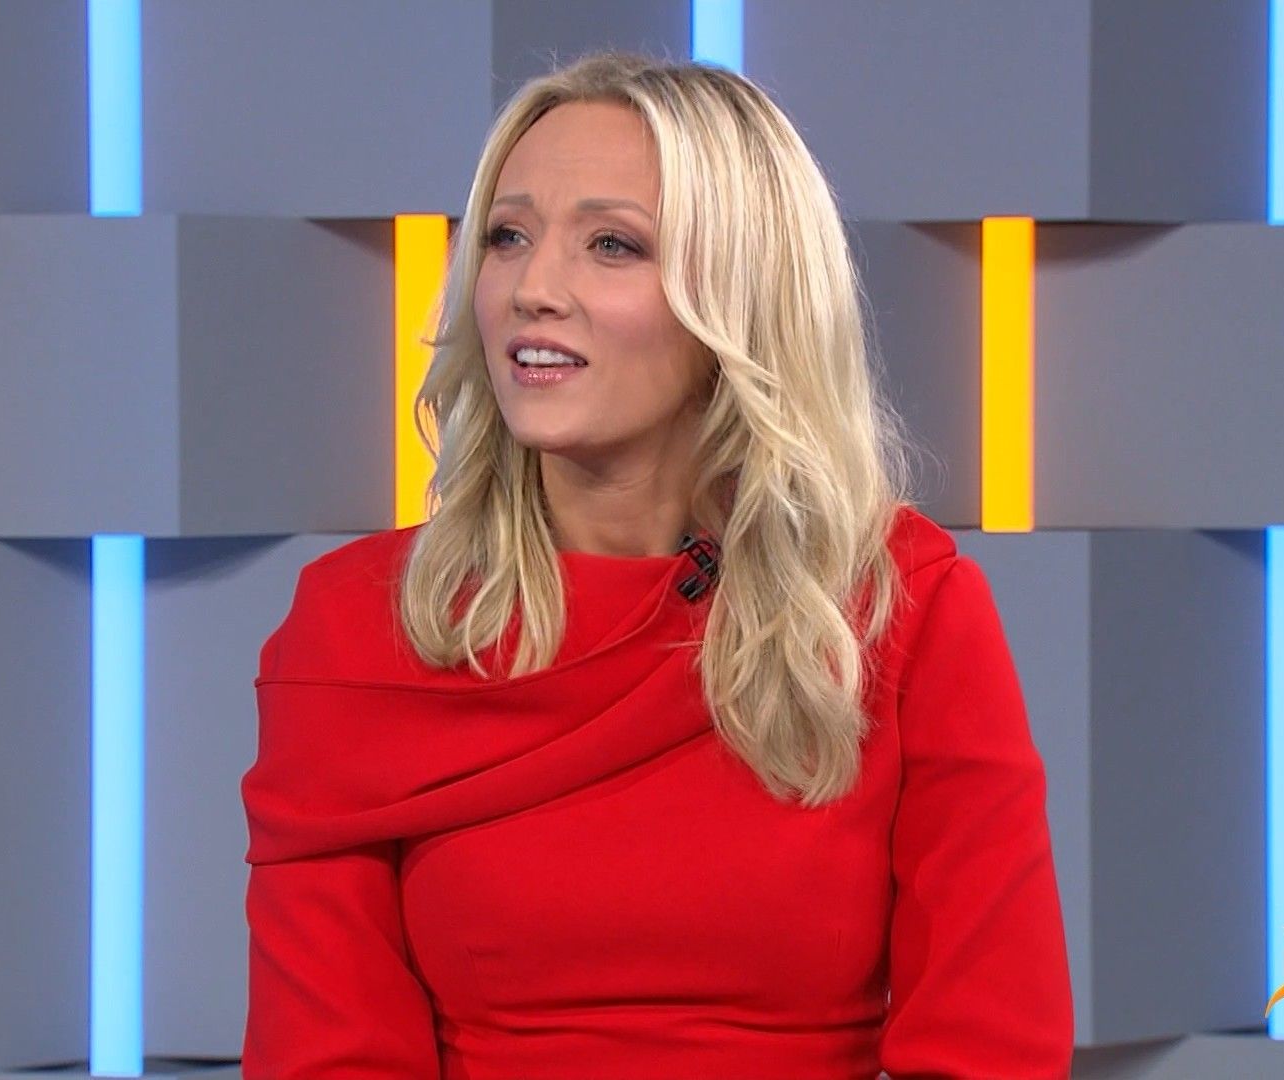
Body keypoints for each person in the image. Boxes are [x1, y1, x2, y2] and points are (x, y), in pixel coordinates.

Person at [240, 50, 1072, 1079]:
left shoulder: (902, 603)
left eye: (611, 245)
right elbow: (329, 1057)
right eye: (506, 236)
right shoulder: (358, 624)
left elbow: (989, 1047)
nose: (533, 289)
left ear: (743, 297)